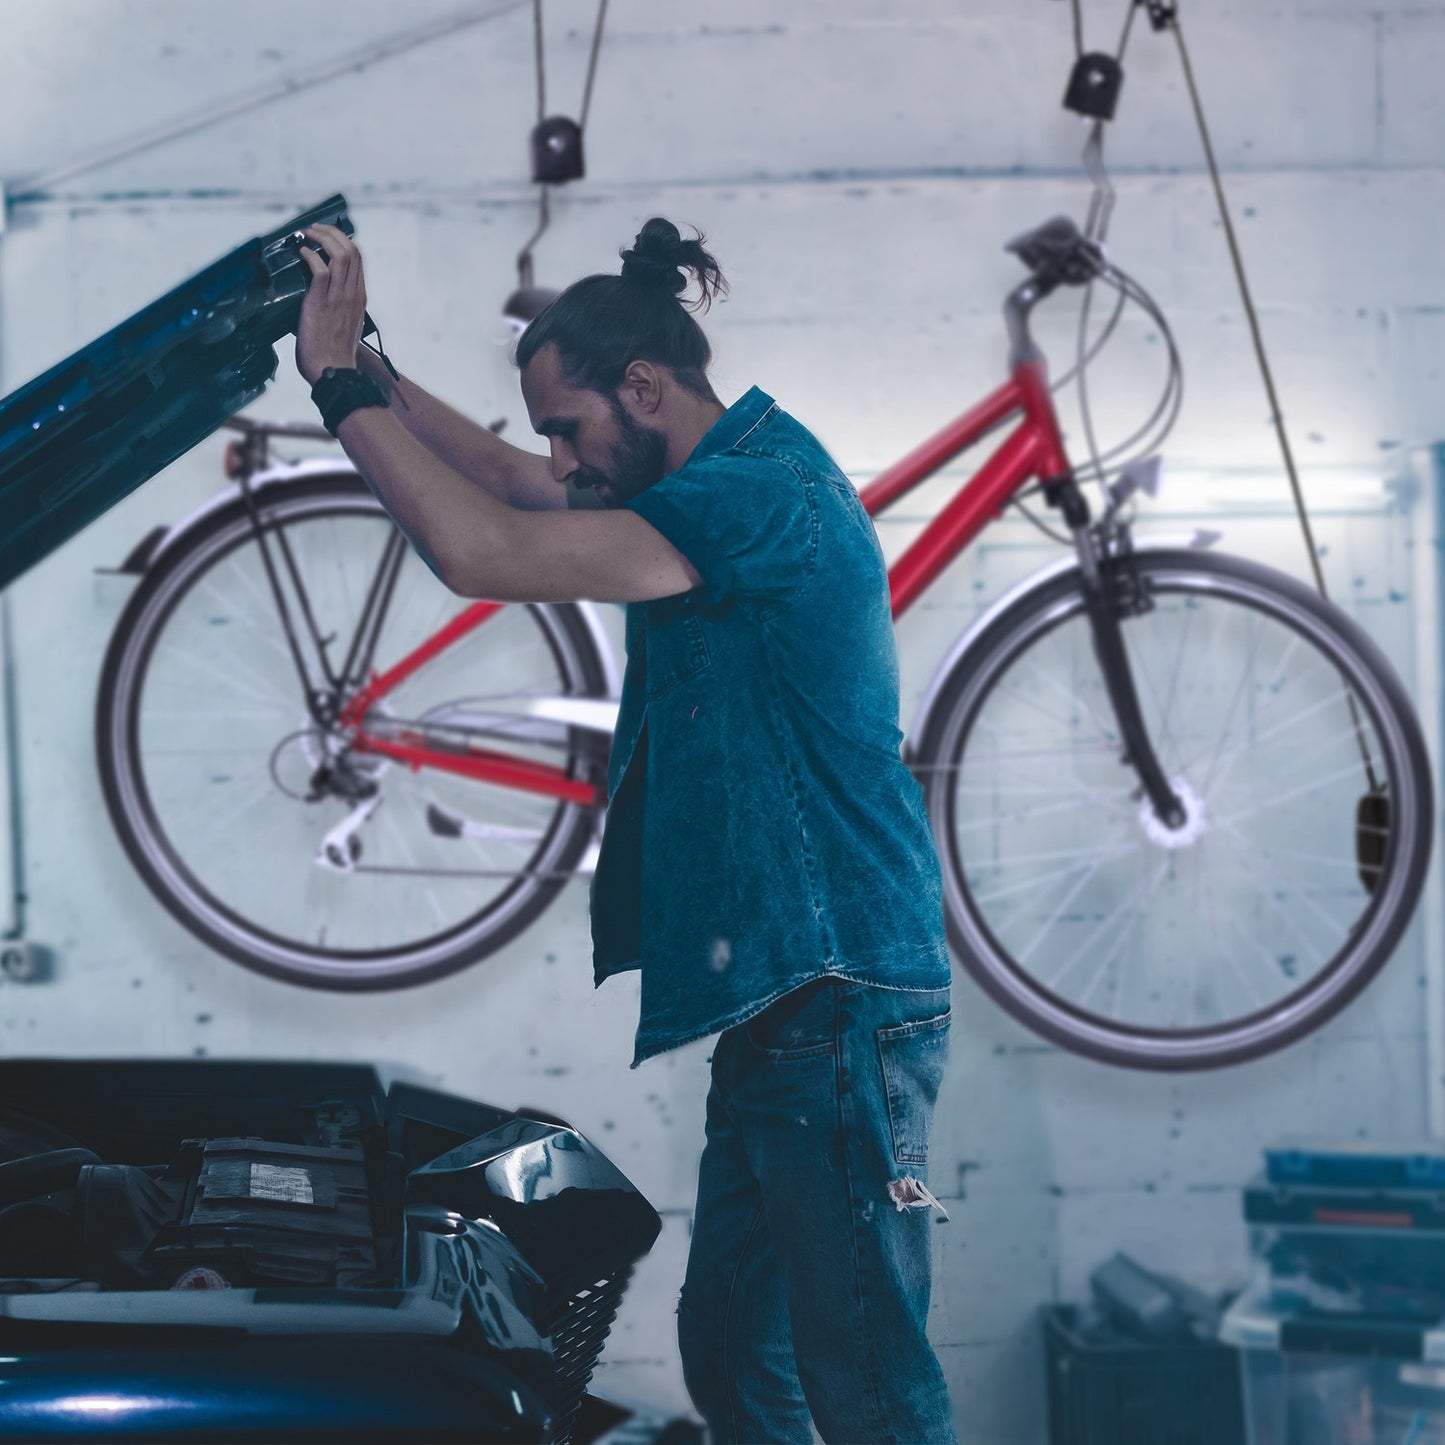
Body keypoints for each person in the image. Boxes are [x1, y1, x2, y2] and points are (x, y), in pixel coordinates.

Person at [294, 217, 958, 1445]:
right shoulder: (700, 480)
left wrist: (336, 392)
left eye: (570, 422)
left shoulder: (762, 499)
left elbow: (484, 547)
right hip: (784, 1007)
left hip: (839, 999)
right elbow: (516, 481)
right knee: (734, 1354)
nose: (560, 453)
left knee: (866, 1379)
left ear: (642, 387)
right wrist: (382, 375)